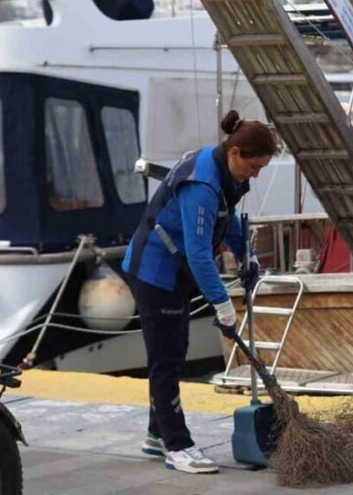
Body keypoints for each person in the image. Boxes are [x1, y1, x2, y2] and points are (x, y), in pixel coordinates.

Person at [122, 110, 275, 474]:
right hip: (155, 273)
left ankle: (156, 435)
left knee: (174, 351)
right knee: (166, 361)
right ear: (235, 153)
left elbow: (227, 217)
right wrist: (222, 303)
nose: (255, 175)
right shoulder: (202, 184)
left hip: (174, 274)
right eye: (254, 167)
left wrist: (246, 253)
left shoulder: (220, 168)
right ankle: (177, 446)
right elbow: (199, 252)